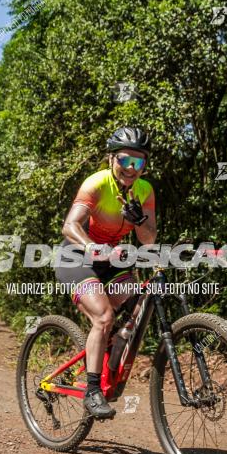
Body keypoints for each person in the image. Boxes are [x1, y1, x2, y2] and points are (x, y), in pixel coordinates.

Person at [57, 126, 157, 419]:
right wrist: (91, 247)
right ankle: (92, 391)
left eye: (138, 163)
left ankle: (105, 362)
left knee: (139, 303)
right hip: (76, 256)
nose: (130, 168)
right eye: (125, 160)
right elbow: (70, 226)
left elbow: (148, 239)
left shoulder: (144, 190)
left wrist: (140, 221)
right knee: (103, 316)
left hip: (110, 259)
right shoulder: (97, 184)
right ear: (112, 158)